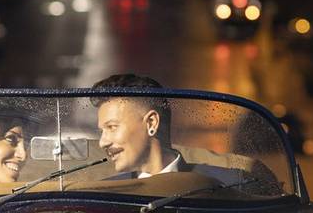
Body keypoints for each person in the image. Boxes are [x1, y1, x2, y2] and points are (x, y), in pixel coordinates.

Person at [91, 73, 280, 193]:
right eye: (101, 131)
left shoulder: (231, 185)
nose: (103, 142)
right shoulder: (106, 194)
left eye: (112, 127)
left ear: (151, 123)